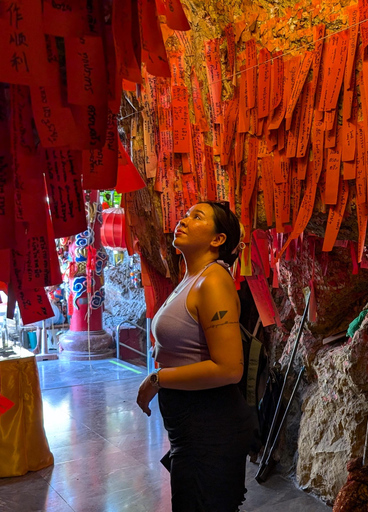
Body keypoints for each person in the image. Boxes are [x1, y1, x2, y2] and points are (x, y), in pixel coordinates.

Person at [137, 201, 257, 512]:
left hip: (211, 426)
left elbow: (230, 368)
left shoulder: (214, 280)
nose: (184, 220)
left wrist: (158, 378)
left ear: (218, 239)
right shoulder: (193, 278)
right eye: (185, 214)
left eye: (197, 216)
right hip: (191, 427)